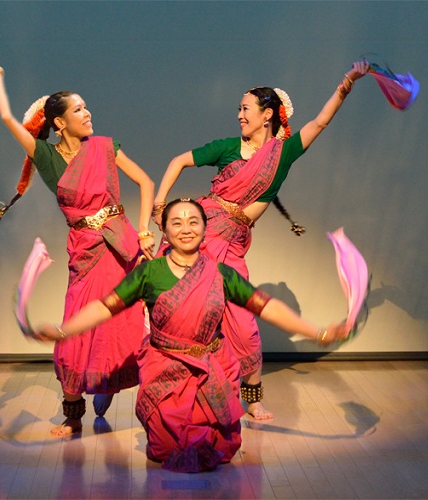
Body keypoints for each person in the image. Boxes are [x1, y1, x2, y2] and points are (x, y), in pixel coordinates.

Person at [30, 199, 350, 472]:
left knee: (221, 450)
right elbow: (105, 307)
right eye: (177, 222)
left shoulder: (220, 274)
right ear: (165, 230)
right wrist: (62, 331)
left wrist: (319, 333)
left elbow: (267, 307)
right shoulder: (149, 273)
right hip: (163, 373)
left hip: (212, 372)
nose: (186, 229)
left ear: (205, 229)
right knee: (164, 450)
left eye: (194, 222)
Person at [151, 61, 369, 420]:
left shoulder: (283, 153)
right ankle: (179, 395)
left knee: (244, 327)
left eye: (245, 109)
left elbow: (319, 123)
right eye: (239, 109)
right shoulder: (227, 148)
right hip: (203, 237)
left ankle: (252, 399)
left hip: (233, 244)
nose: (239, 115)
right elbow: (177, 162)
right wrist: (160, 207)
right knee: (186, 315)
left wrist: (346, 84)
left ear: (267, 115)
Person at [0, 58, 156, 437]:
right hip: (85, 251)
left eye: (86, 106)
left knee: (126, 324)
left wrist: (144, 230)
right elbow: (8, 118)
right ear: (59, 122)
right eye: (78, 109)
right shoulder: (46, 157)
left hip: (121, 245)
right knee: (73, 336)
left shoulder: (105, 147)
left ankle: (113, 387)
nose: (87, 113)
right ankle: (73, 415)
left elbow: (145, 182)